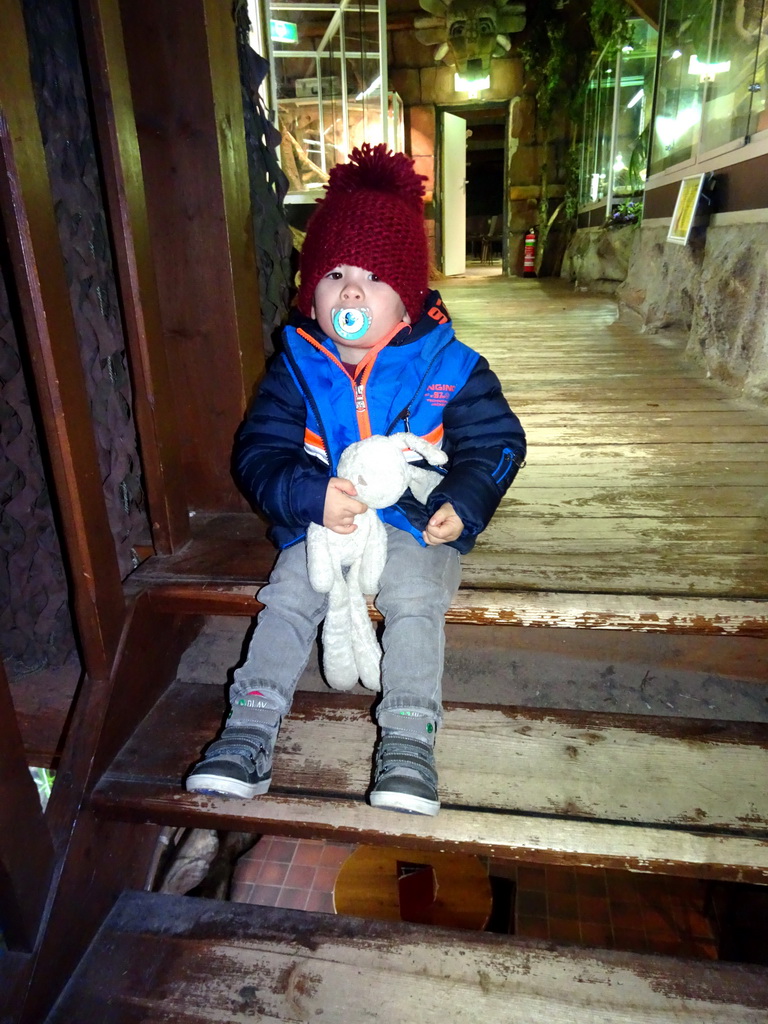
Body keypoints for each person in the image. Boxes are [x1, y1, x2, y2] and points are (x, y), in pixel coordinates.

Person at [186, 143, 526, 816]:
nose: (349, 289)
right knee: (288, 593)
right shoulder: (295, 368)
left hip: (412, 522)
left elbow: (498, 441)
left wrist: (466, 498)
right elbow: (258, 452)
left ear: (406, 299)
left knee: (415, 597)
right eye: (333, 272)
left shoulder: (450, 366)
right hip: (326, 525)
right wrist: (308, 495)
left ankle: (408, 737)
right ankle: (249, 730)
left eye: (371, 276)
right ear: (309, 293)